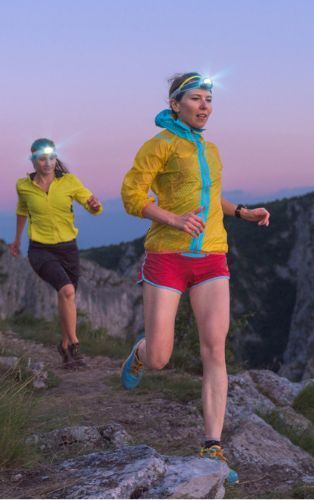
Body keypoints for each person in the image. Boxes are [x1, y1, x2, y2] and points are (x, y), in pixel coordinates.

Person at [119, 72, 271, 483]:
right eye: (196, 99)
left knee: (214, 348)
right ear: (176, 105)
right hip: (166, 257)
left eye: (209, 100)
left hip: (211, 257)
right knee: (160, 358)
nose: (205, 107)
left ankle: (212, 444)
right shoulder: (159, 145)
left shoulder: (210, 149)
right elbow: (131, 194)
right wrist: (171, 218)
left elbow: (210, 195)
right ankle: (140, 352)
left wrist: (243, 212)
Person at [9, 138, 103, 369]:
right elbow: (22, 211)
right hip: (40, 249)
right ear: (33, 160)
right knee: (67, 291)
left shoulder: (69, 181)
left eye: (52, 158)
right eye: (42, 158)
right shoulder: (23, 185)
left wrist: (94, 205)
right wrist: (17, 240)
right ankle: (74, 345)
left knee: (66, 298)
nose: (48, 163)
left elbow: (90, 204)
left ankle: (63, 345)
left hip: (68, 249)